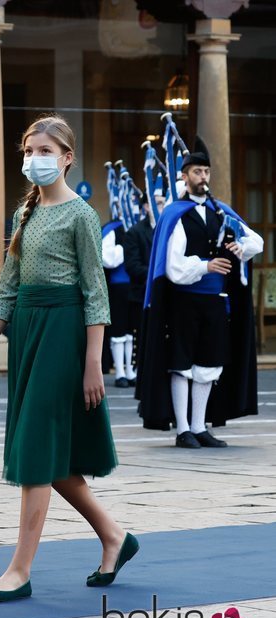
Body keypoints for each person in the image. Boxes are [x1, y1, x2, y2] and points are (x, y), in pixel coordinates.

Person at [0, 115, 136, 602]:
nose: (34, 160)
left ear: (67, 158)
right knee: (45, 451)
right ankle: (114, 536)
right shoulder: (24, 215)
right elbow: (6, 290)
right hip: (27, 334)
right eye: (28, 151)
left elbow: (95, 292)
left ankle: (19, 570)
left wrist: (93, 362)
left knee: (37, 451)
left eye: (44, 151)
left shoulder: (82, 215)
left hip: (63, 335)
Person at [136, 137, 262, 448]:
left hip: (215, 302)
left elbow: (255, 241)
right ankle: (182, 429)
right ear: (184, 176)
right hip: (184, 301)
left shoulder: (221, 211)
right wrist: (206, 266)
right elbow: (173, 265)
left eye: (206, 171)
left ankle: (199, 425)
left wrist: (239, 247)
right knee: (182, 363)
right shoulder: (175, 213)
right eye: (196, 172)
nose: (203, 177)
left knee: (208, 363)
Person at [123, 190, 159, 363]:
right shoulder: (134, 232)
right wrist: (160, 274)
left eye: (163, 202)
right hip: (142, 296)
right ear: (146, 207)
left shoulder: (173, 229)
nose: (162, 206)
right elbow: (132, 266)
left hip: (167, 295)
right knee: (146, 348)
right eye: (158, 203)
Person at [100, 211, 135, 387]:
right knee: (119, 330)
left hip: (137, 285)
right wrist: (124, 247)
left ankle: (130, 370)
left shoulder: (139, 225)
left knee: (131, 331)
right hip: (118, 286)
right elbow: (108, 259)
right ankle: (120, 371)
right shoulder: (114, 229)